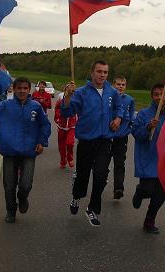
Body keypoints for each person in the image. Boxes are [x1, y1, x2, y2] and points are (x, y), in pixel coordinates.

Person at [61, 60, 123, 226]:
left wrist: (118, 118)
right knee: (83, 175)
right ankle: (76, 197)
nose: (102, 75)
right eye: (99, 71)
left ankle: (92, 209)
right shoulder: (81, 93)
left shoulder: (112, 91)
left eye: (105, 72)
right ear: (92, 72)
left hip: (104, 140)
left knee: (101, 175)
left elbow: (120, 107)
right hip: (87, 141)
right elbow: (67, 111)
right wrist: (68, 96)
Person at [0, 77, 51, 224]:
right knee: (9, 186)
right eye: (19, 88)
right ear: (14, 89)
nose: (22, 91)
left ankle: (22, 197)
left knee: (26, 184)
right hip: (10, 152)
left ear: (29, 89)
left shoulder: (36, 107)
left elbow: (45, 125)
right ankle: (11, 210)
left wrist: (41, 142)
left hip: (29, 152)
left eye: (25, 88)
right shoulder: (4, 106)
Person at [131, 83, 165, 234]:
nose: (160, 97)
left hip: (164, 160)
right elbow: (136, 134)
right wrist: (148, 127)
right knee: (148, 189)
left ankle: (149, 221)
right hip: (148, 158)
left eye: (163, 94)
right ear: (152, 96)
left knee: (161, 194)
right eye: (156, 94)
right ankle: (140, 192)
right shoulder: (144, 114)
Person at [110, 76, 135, 199]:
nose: (120, 86)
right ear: (113, 85)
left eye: (123, 84)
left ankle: (118, 188)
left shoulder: (130, 100)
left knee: (119, 163)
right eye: (118, 84)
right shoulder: (108, 97)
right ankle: (101, 182)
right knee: (102, 164)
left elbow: (131, 118)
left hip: (121, 137)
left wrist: (128, 129)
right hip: (107, 136)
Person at [54, 84, 77, 169]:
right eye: (68, 88)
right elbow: (57, 108)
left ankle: (70, 158)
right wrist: (58, 118)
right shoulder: (60, 97)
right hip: (62, 126)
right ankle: (63, 160)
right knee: (62, 145)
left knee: (70, 143)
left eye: (71, 88)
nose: (69, 89)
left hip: (71, 125)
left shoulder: (75, 98)